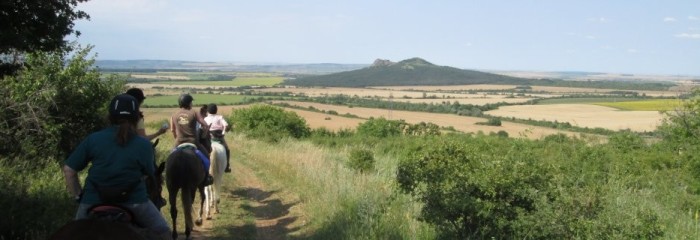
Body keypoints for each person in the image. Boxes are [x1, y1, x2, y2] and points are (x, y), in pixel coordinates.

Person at [62, 94, 170, 239]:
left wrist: (78, 196)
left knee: (73, 232)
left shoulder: (93, 139)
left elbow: (69, 170)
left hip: (92, 201)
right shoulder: (144, 145)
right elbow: (149, 174)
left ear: (110, 116)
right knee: (163, 232)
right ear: (136, 118)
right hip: (134, 202)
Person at [170, 93, 213, 186]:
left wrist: (177, 138)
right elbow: (205, 124)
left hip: (178, 142)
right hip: (193, 142)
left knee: (170, 159)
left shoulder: (174, 114)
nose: (192, 104)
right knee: (207, 157)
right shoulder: (194, 112)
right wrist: (205, 133)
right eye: (191, 102)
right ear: (189, 103)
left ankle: (168, 177)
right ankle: (206, 177)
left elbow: (172, 130)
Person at [204, 103, 232, 173]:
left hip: (208, 138)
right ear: (216, 110)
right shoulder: (220, 117)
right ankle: (227, 166)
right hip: (218, 138)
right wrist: (225, 130)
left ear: (208, 111)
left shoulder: (205, 118)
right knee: (227, 149)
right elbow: (226, 125)